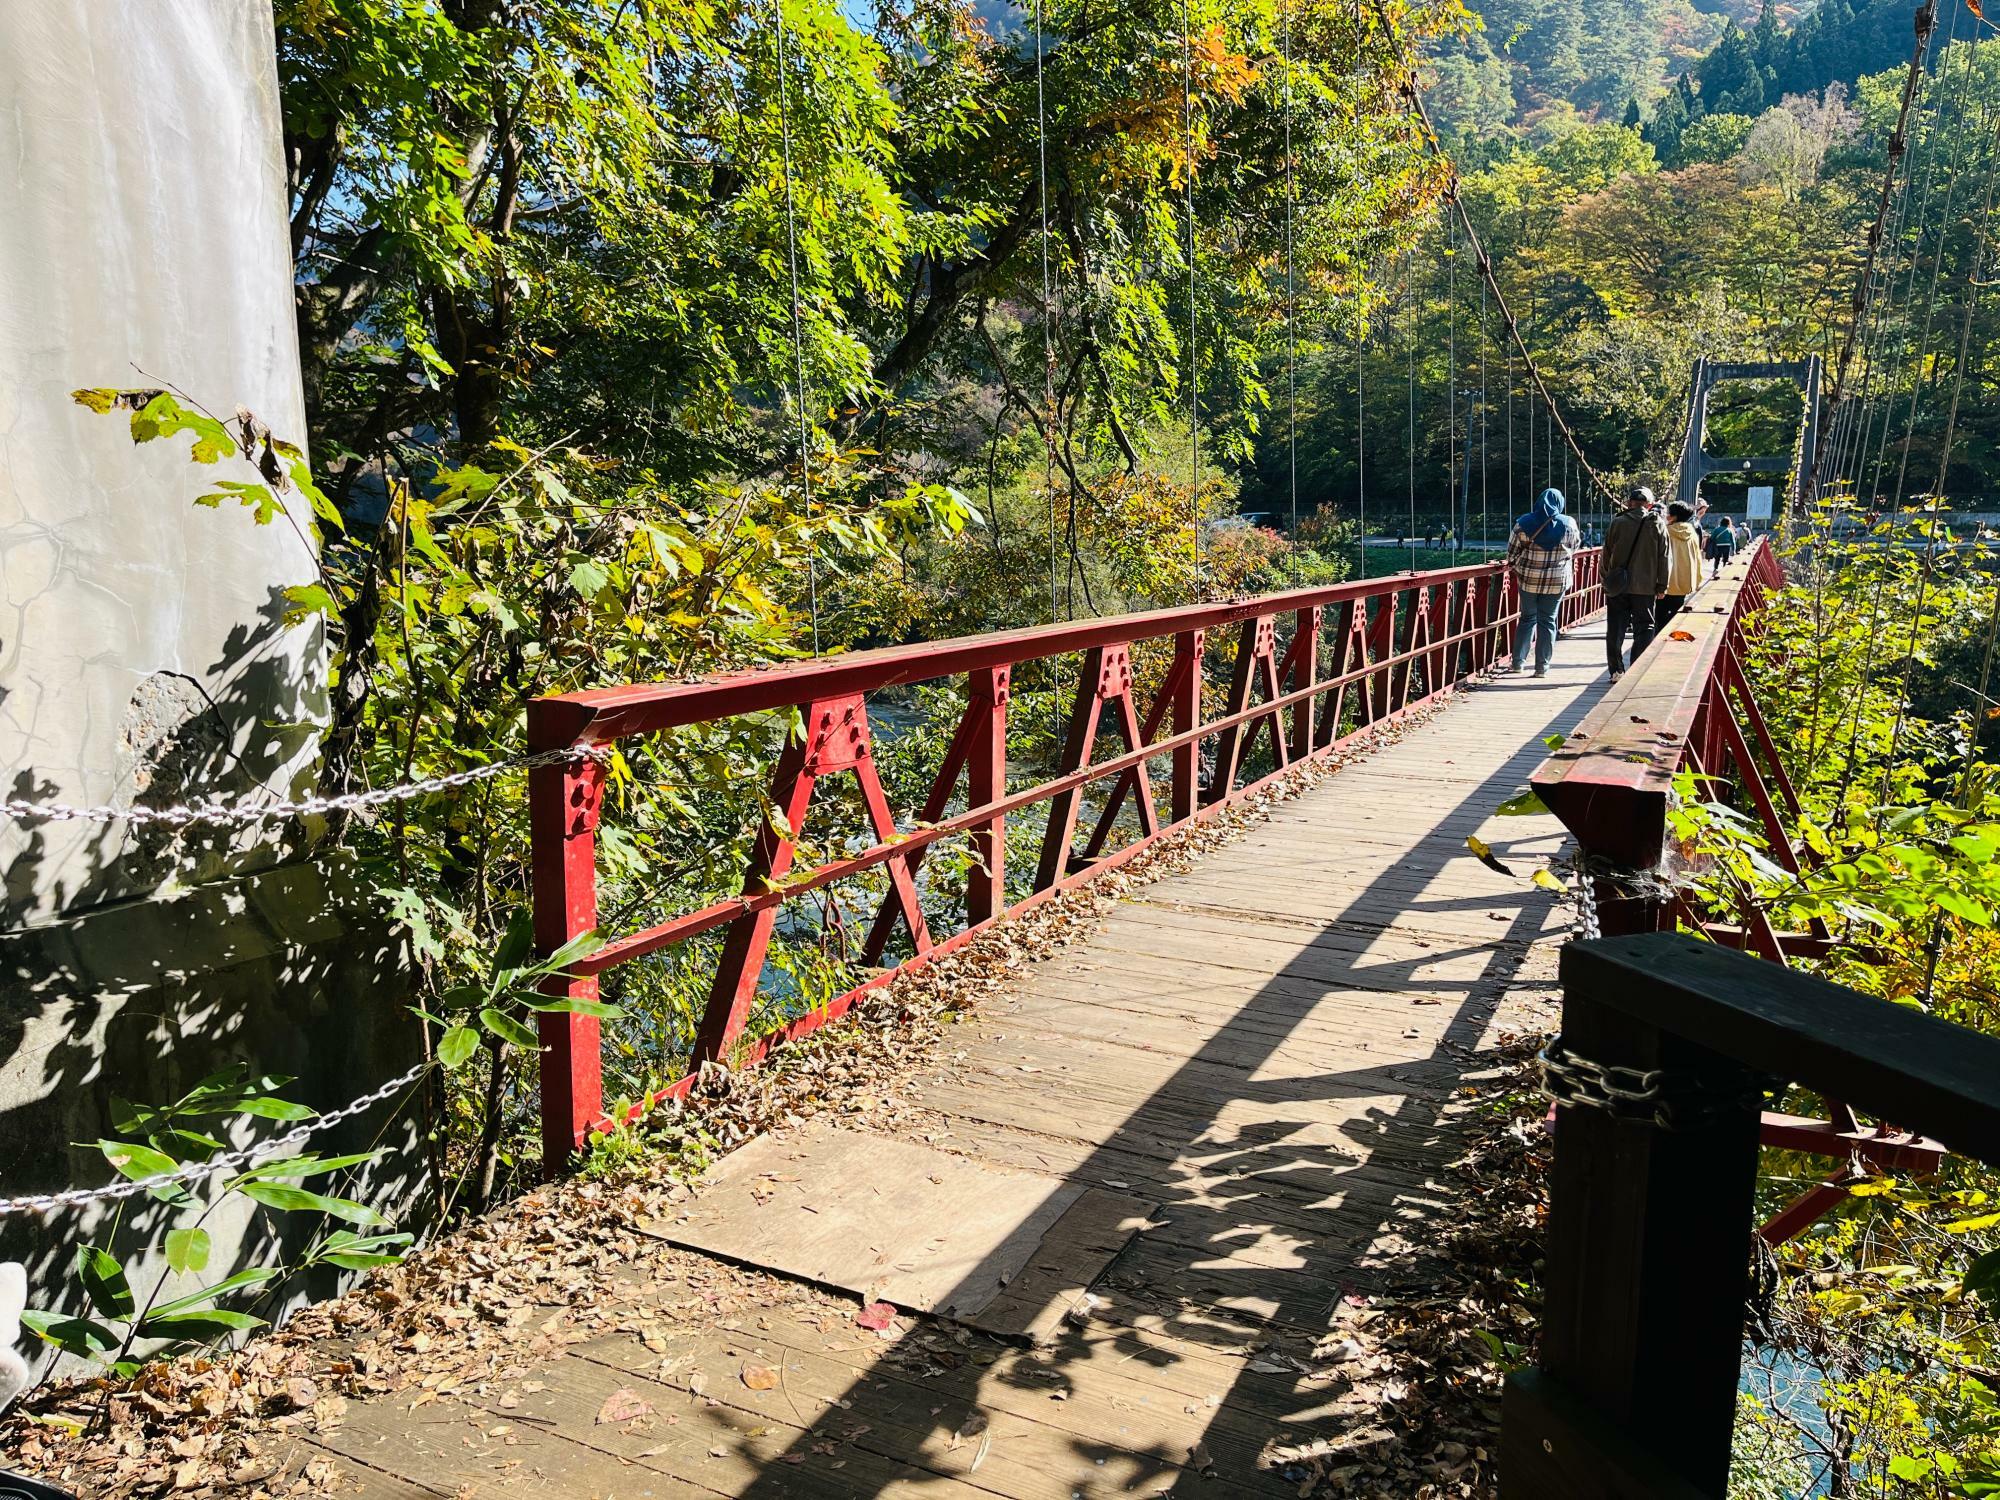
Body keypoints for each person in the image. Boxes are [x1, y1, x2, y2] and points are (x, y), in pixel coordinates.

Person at [1502, 486, 1580, 678]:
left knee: (1528, 618)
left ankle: (1518, 663)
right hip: (1557, 581)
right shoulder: (1569, 523)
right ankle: (1541, 668)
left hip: (1528, 579)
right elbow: (1575, 547)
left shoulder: (1522, 523)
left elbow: (1511, 554)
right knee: (1548, 620)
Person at [1602, 484, 1669, 682]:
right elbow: (1664, 557)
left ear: (1630, 503)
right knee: (1645, 626)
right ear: (1649, 505)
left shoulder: (1618, 522)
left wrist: (1606, 579)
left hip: (1618, 586)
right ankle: (1637, 668)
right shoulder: (1657, 524)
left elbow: (1606, 553)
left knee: (1615, 627)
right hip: (1645, 586)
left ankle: (1616, 670)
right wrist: (1662, 585)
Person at [1661, 501, 1704, 618]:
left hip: (1665, 583)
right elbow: (1697, 557)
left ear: (1674, 516)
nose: (1666, 515)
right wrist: (1698, 578)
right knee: (1676, 615)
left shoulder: (1664, 532)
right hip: (1685, 581)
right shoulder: (1692, 533)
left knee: (1660, 616)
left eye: (1668, 513)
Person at [1706, 512, 1738, 580]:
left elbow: (1712, 538)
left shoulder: (1717, 529)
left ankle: (1715, 570)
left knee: (1717, 558)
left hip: (1718, 546)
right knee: (1725, 559)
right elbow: (1733, 541)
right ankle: (1724, 570)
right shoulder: (1729, 530)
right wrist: (1734, 550)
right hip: (1727, 546)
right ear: (1728, 523)